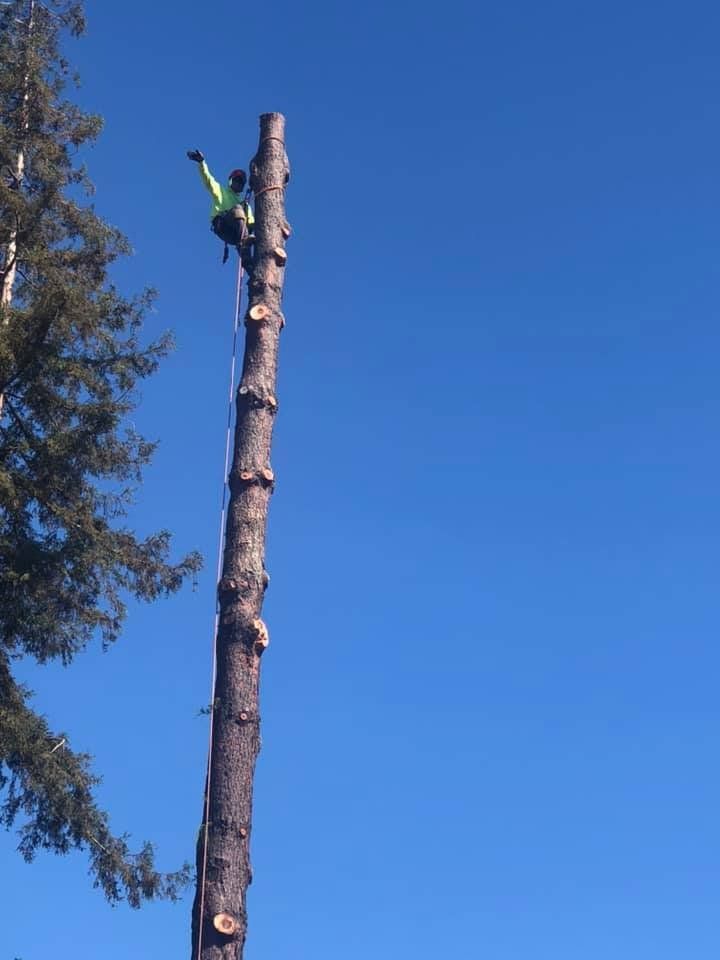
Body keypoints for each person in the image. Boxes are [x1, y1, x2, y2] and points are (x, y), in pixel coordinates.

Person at [187, 149, 255, 269]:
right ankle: (243, 245)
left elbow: (251, 222)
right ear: (231, 181)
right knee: (238, 209)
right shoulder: (220, 191)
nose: (238, 183)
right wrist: (201, 163)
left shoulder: (245, 205)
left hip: (237, 233)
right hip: (223, 226)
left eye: (241, 182)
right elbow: (208, 180)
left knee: (242, 209)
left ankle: (248, 263)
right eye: (236, 180)